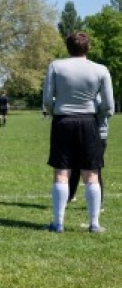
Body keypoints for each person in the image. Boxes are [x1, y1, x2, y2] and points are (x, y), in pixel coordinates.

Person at [42, 32, 113, 234]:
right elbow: (108, 105)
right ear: (87, 48)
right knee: (91, 174)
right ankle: (94, 223)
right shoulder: (100, 70)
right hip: (89, 122)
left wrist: (57, 107)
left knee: (61, 173)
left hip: (63, 121)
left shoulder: (56, 66)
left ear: (68, 47)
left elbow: (47, 99)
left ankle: (58, 223)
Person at [67, 95, 108, 209]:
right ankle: (70, 196)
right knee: (75, 166)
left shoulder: (100, 95)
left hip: (98, 133)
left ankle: (99, 203)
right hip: (81, 131)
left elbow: (109, 109)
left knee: (94, 170)